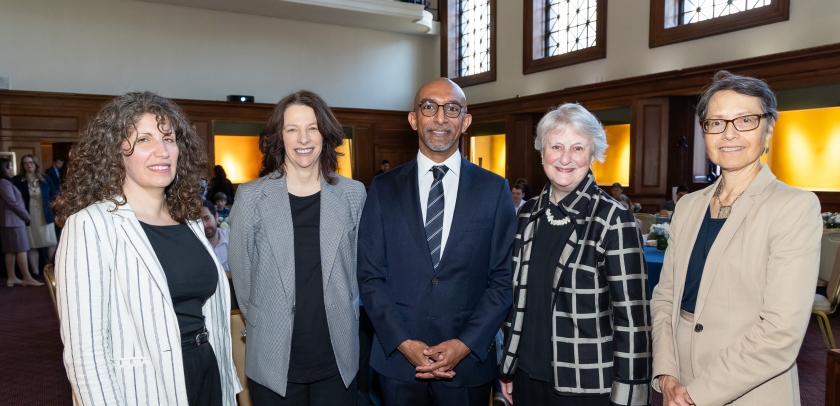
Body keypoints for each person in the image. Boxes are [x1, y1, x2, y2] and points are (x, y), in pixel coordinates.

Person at [52, 91, 241, 406]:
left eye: (169, 138)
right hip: (144, 386)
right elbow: (86, 353)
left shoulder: (190, 220)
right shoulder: (91, 226)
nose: (162, 151)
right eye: (144, 140)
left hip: (207, 371)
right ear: (116, 152)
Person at [651, 71, 822, 406]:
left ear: (769, 126)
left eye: (745, 120)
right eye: (716, 122)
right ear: (704, 130)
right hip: (679, 380)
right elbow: (665, 297)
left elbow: (779, 333)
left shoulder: (794, 207)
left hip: (750, 388)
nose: (729, 134)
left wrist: (696, 395)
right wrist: (667, 374)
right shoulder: (688, 206)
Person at [357, 77, 516, 406]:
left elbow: (502, 280)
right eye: (429, 107)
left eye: (452, 109)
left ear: (465, 121)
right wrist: (403, 343)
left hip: (468, 364)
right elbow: (370, 277)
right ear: (414, 119)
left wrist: (464, 344)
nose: (440, 118)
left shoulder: (494, 189)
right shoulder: (383, 188)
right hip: (398, 363)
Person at [498, 103, 651, 406]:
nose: (565, 158)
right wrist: (508, 369)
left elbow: (633, 321)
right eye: (556, 146)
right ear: (542, 152)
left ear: (592, 154)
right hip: (527, 377)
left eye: (578, 148)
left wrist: (629, 398)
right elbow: (515, 303)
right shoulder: (527, 215)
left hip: (587, 387)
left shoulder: (612, 218)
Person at [229, 90, 366, 405]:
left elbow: (359, 269)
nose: (303, 138)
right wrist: (267, 318)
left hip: (338, 358)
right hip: (273, 359)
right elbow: (243, 275)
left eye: (312, 128)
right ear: (280, 137)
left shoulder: (353, 194)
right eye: (292, 129)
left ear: (325, 134)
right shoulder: (251, 197)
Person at [13, 154, 58, 276]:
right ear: (23, 166)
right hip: (28, 216)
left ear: (36, 164)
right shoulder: (17, 180)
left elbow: (54, 195)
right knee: (32, 245)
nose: (29, 165)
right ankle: (35, 272)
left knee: (51, 242)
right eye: (26, 163)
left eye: (31, 162)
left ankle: (54, 269)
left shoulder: (46, 178)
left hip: (46, 215)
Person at [0, 158, 41, 287]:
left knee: (11, 251)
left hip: (10, 221)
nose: (12, 168)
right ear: (4, 168)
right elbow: (12, 202)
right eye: (10, 166)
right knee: (21, 249)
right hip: (13, 221)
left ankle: (12, 277)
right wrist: (26, 215)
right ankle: (27, 277)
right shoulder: (4, 182)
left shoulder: (5, 182)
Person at [201, 200, 236, 311]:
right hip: (208, 301)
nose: (204, 225)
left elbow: (243, 270)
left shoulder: (232, 237)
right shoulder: (194, 245)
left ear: (216, 217)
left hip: (234, 294)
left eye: (207, 218)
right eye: (198, 221)